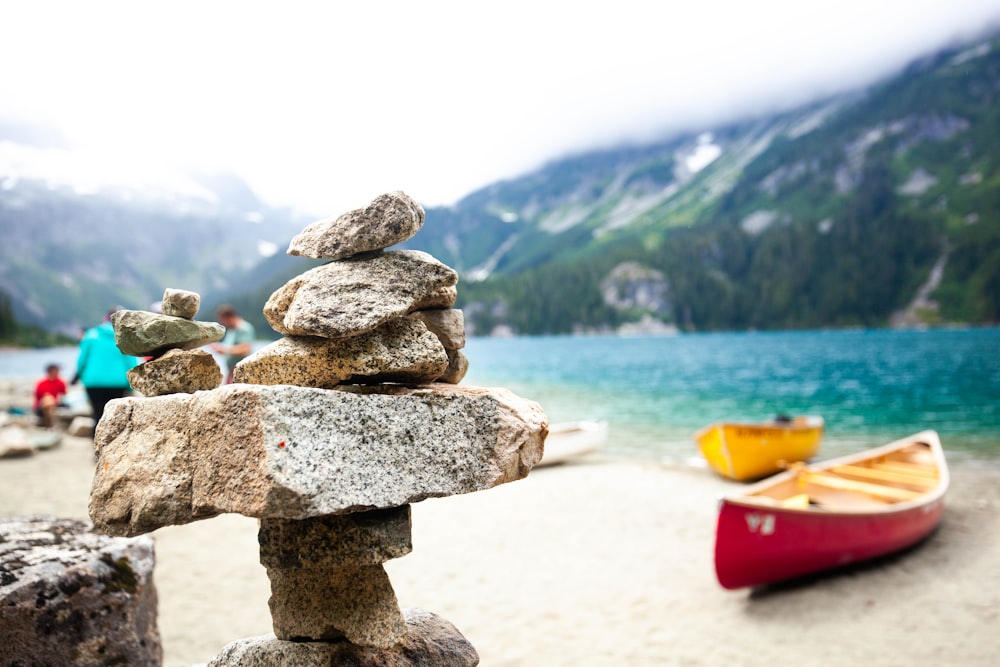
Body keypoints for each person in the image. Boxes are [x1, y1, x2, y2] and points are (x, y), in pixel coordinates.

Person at [74, 308, 139, 425]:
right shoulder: (123, 336)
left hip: (93, 382)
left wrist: (80, 377)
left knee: (97, 416)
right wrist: (131, 386)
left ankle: (95, 441)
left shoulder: (90, 335)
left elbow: (81, 361)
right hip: (118, 383)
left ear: (105, 319)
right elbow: (131, 362)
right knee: (114, 418)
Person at [210, 304, 255, 383]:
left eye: (223, 320)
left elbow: (245, 349)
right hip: (232, 371)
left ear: (229, 317)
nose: (222, 323)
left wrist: (224, 350)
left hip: (242, 371)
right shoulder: (232, 330)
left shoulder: (244, 328)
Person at [33, 363, 68, 429]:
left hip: (55, 404)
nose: (58, 372)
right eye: (57, 371)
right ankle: (49, 425)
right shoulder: (42, 383)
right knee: (48, 400)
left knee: (50, 401)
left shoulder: (60, 382)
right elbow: (40, 398)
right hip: (41, 407)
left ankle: (50, 425)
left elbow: (64, 394)